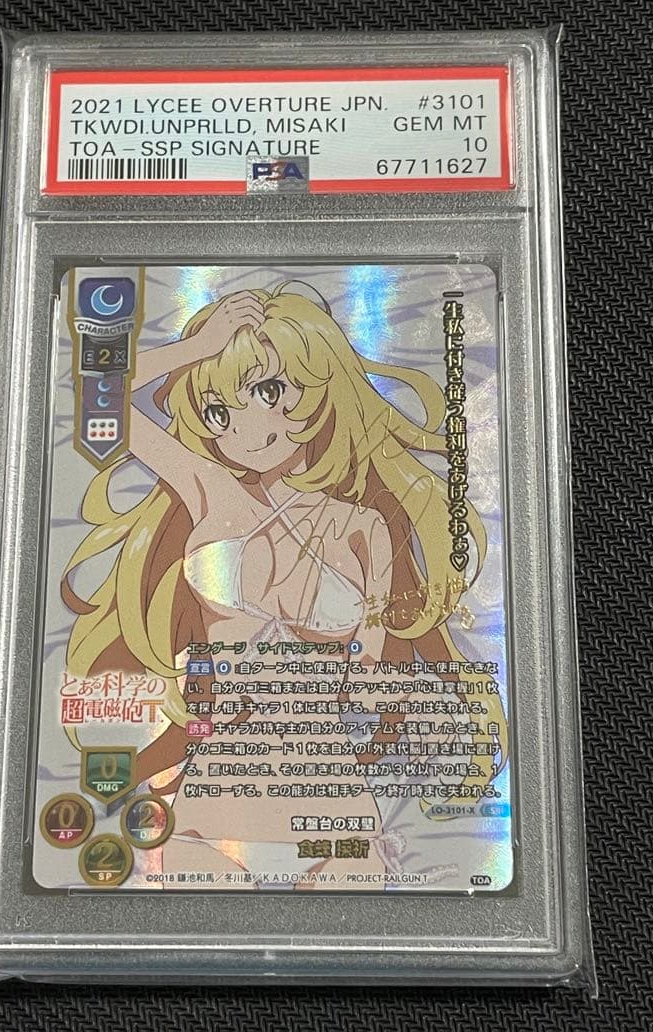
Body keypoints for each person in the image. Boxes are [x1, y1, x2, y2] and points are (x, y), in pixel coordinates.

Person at [62, 281, 506, 890]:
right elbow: (97, 390)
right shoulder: (212, 494)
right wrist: (199, 349)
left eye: (268, 392)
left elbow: (368, 677)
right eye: (219, 411)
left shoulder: (363, 528)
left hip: (332, 807)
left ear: (318, 389)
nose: (243, 429)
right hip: (216, 809)